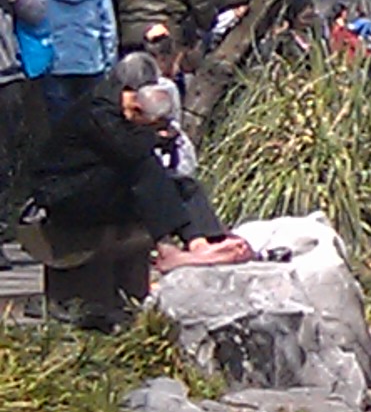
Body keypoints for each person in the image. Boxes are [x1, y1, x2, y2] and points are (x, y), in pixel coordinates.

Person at [29, 55, 234, 270]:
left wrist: (160, 135)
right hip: (66, 195)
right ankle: (165, 247)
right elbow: (128, 151)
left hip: (99, 187)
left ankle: (204, 242)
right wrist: (152, 135)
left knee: (182, 184)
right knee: (142, 165)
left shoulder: (117, 111)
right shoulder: (97, 111)